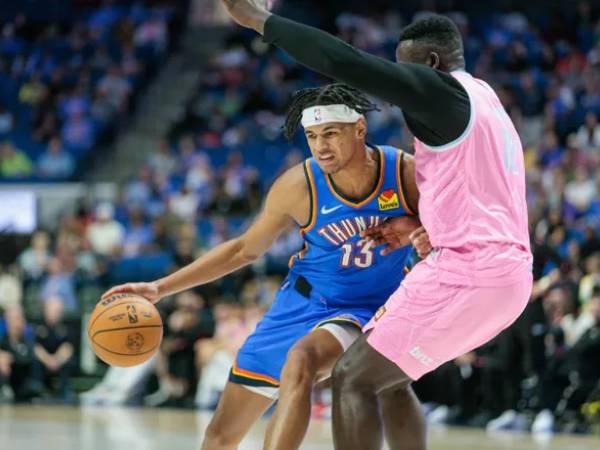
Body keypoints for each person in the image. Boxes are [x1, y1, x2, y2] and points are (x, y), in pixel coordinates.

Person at [220, 3, 533, 449]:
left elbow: (345, 62)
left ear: (430, 66)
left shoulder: (440, 90)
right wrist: (424, 225)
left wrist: (258, 21)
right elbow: (484, 192)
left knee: (352, 379)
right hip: (508, 276)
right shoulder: (485, 98)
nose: (399, 89)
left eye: (405, 75)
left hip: (469, 273)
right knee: (386, 378)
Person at [102, 83, 422, 450]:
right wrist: (160, 288)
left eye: (331, 133)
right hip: (300, 302)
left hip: (365, 308)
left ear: (359, 129)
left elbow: (453, 229)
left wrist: (418, 226)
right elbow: (242, 250)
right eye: (313, 135)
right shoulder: (299, 185)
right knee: (219, 437)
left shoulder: (404, 174)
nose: (321, 146)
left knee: (301, 361)